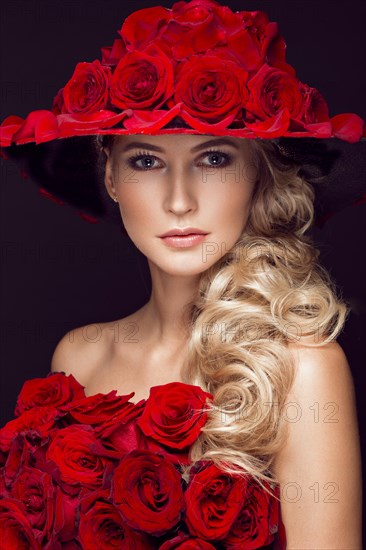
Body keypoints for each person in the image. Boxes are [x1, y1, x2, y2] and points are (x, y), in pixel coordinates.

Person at [0, 0, 364, 548]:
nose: (178, 201)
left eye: (213, 159)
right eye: (146, 161)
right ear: (111, 177)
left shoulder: (303, 371)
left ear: (256, 175)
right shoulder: (78, 356)